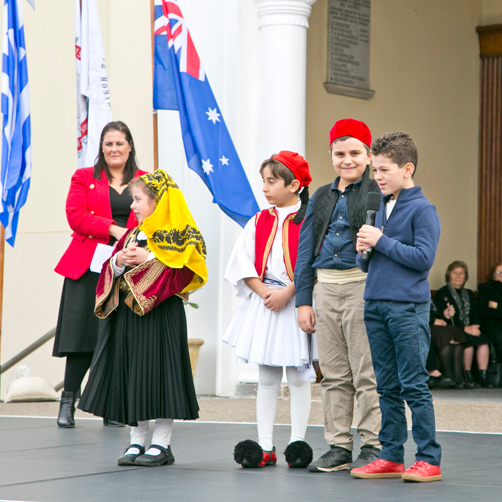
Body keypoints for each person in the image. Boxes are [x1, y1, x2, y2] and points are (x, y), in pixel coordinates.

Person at [77, 169, 208, 467]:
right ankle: (136, 440)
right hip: (129, 316)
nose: (133, 206)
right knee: (133, 375)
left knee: (161, 377)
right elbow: (112, 265)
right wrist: (119, 262)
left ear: (157, 201)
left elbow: (188, 270)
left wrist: (149, 259)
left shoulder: (180, 232)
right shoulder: (132, 233)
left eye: (137, 199)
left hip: (162, 316)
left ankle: (161, 443)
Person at [351, 132, 442, 483]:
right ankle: (391, 455)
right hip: (375, 304)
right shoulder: (380, 207)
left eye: (383, 170)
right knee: (385, 386)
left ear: (407, 168)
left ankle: (428, 457)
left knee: (413, 384)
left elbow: (423, 259)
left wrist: (381, 241)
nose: (377, 177)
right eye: (375, 170)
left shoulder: (423, 209)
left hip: (407, 308)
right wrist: (364, 253)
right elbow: (371, 264)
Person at [294, 118, 382, 473]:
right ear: (331, 155)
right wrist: (303, 299)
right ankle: (338, 445)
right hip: (325, 288)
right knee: (332, 373)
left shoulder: (376, 191)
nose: (348, 160)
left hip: (361, 285)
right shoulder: (320, 196)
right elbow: (305, 249)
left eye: (355, 153)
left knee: (367, 372)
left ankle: (373, 444)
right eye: (340, 153)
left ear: (368, 154)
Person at [224, 151, 316, 469]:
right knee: (267, 375)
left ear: (293, 185)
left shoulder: (308, 220)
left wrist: (290, 291)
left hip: (297, 302)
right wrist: (266, 293)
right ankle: (264, 443)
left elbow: (313, 262)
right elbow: (242, 262)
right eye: (263, 181)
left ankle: (297, 441)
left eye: (271, 181)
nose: (264, 188)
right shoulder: (259, 220)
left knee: (298, 376)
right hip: (267, 302)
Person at [53, 121, 146, 428]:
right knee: (82, 334)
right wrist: (115, 229)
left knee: (119, 336)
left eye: (119, 143)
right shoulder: (83, 178)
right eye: (108, 144)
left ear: (129, 146)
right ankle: (68, 401)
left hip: (128, 266)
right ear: (101, 148)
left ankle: (112, 406)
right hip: (87, 268)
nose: (114, 149)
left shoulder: (146, 181)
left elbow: (156, 218)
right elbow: (76, 217)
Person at [434, 261, 491, 388]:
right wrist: (466, 328)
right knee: (468, 341)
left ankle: (483, 378)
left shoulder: (469, 293)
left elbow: (475, 314)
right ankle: (467, 376)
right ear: (449, 275)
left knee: (483, 341)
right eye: (455, 273)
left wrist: (475, 326)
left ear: (465, 277)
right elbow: (445, 319)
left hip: (470, 328)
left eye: (461, 273)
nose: (458, 276)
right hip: (455, 330)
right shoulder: (443, 293)